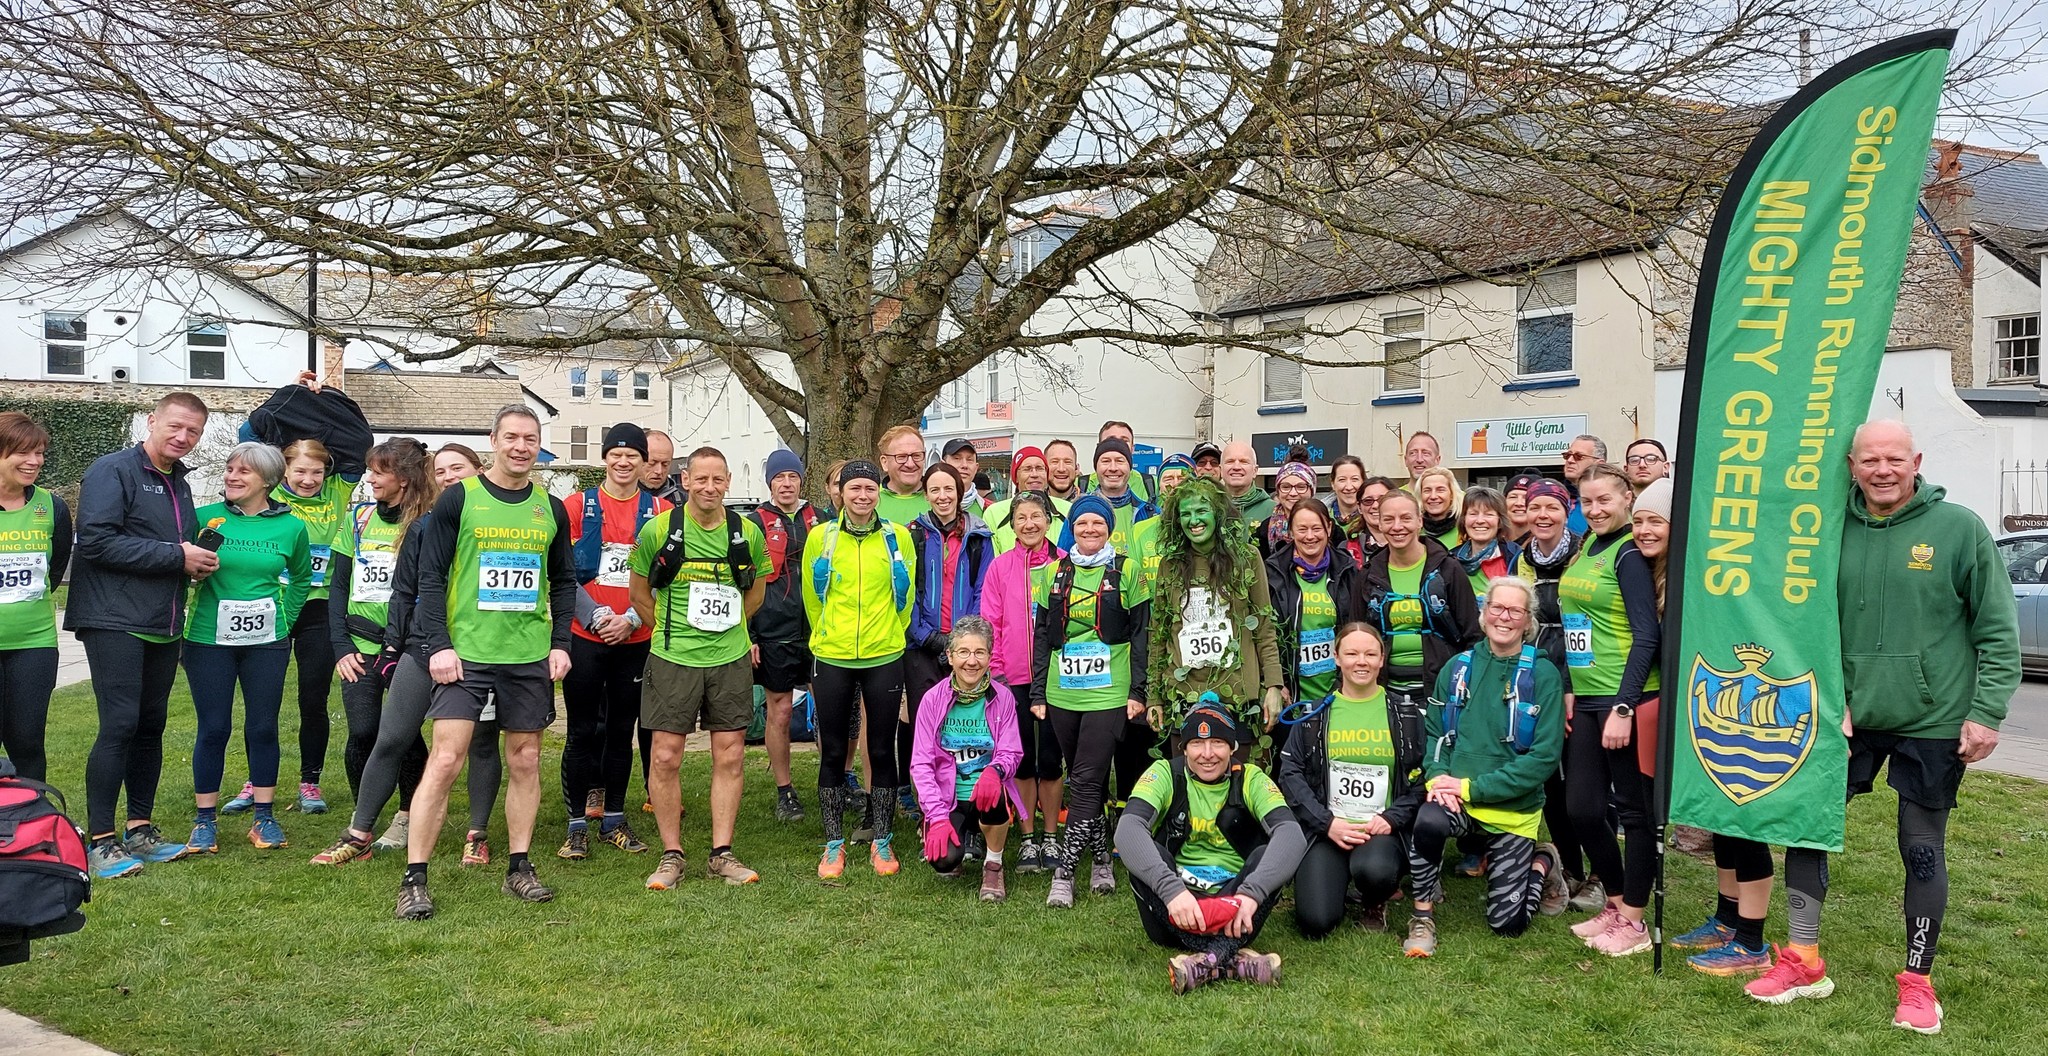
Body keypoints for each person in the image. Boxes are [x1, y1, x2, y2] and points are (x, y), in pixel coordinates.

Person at [1745, 421, 2018, 1035]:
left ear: (1916, 461)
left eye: (1895, 458)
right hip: (1844, 716)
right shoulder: (1826, 532)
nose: (1883, 470)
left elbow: (1997, 631)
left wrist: (1986, 713)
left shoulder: (1959, 530)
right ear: (1851, 464)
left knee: (1920, 848)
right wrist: (1821, 694)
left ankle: (1918, 983)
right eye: (1870, 460)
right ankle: (1804, 960)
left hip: (1933, 717)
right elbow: (1798, 621)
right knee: (1806, 829)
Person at [399, 405, 574, 920]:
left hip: (527, 655)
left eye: (531, 438)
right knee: (447, 759)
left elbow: (563, 581)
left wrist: (560, 643)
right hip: (466, 654)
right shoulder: (459, 498)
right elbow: (430, 577)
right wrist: (439, 646)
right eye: (512, 437)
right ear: (493, 440)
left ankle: (519, 867)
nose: (521, 446)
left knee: (523, 759)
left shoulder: (551, 507)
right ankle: (415, 877)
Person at [310, 443, 502, 867]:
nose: (450, 476)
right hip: (424, 648)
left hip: (483, 650)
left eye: (460, 468)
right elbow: (403, 594)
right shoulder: (424, 527)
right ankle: (359, 832)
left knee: (481, 745)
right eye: (442, 470)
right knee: (391, 736)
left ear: (479, 470)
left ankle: (477, 834)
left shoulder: (496, 525)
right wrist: (393, 649)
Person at [70, 391, 211, 879]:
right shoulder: (113, 470)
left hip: (162, 621)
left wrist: (193, 564)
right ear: (151, 420)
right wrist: (177, 556)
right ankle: (101, 839)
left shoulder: (181, 483)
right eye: (174, 426)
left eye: (193, 431)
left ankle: (141, 829)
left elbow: (171, 547)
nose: (182, 437)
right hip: (112, 618)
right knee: (120, 724)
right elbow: (95, 541)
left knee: (150, 726)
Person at [629, 446, 771, 890]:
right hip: (673, 659)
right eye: (701, 479)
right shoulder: (658, 530)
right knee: (665, 756)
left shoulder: (747, 533)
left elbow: (757, 595)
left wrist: (727, 632)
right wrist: (671, 633)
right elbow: (638, 595)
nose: (710, 488)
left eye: (718, 480)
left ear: (728, 482)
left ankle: (721, 853)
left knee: (729, 754)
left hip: (728, 659)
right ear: (685, 479)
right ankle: (672, 854)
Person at [1402, 576, 1566, 957]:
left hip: (1511, 807)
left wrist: (1470, 789)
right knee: (1427, 820)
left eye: (1515, 611)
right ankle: (1422, 915)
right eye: (1497, 608)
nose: (1504, 617)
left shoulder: (1543, 676)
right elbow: (1434, 735)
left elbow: (1542, 759)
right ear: (1483, 614)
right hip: (1455, 797)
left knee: (1507, 924)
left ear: (1528, 621)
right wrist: (1437, 776)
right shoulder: (1456, 669)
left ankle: (1542, 862)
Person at [1115, 704, 1305, 993]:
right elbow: (1127, 830)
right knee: (1144, 851)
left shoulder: (1251, 778)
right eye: (1197, 743)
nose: (1207, 754)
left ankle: (1205, 963)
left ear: (1232, 747)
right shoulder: (1165, 773)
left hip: (1236, 906)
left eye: (1217, 742)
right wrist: (1171, 891)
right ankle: (1233, 959)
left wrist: (1252, 894)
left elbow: (1292, 835)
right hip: (1179, 908)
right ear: (1183, 747)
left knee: (1270, 856)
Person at [181, 442, 313, 853]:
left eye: (244, 472)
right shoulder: (204, 518)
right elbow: (177, 570)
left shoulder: (291, 527)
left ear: (268, 481)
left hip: (266, 644)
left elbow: (302, 579)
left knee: (262, 726)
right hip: (207, 640)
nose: (232, 476)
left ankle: (264, 817)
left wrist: (284, 624)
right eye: (229, 468)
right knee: (214, 727)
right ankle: (205, 822)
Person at [1557, 461, 1660, 956]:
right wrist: (1574, 685)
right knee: (1581, 807)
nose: (1595, 509)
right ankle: (1618, 903)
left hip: (1629, 699)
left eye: (1605, 500)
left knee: (1635, 813)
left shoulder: (1629, 555)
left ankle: (1635, 921)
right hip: (1590, 696)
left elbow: (1647, 636)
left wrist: (1625, 705)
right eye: (1587, 501)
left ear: (1627, 502)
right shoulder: (1587, 547)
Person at [220, 438, 353, 817]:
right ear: (283, 472)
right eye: (300, 471)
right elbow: (255, 432)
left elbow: (353, 436)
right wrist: (297, 389)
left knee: (313, 699)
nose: (309, 480)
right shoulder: (271, 490)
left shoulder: (338, 492)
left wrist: (321, 390)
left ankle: (310, 782)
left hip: (318, 608)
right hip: (271, 606)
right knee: (263, 702)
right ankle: (254, 780)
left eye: (317, 472)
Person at [1031, 493, 1150, 907]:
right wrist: (1037, 690)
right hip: (1062, 692)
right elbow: (1043, 635)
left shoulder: (1128, 571)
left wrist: (1137, 691)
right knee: (1087, 779)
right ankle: (1101, 857)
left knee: (1084, 778)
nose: (1089, 531)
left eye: (1098, 524)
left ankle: (1064, 872)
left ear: (1109, 528)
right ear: (1072, 529)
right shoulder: (1052, 572)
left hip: (1109, 692)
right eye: (1082, 524)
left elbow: (1141, 635)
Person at [558, 424, 669, 862]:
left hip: (636, 635)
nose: (624, 463)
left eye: (632, 456)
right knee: (582, 730)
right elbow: (563, 573)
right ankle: (576, 825)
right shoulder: (575, 505)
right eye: (616, 455)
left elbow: (665, 578)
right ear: (604, 458)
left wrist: (630, 617)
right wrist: (600, 615)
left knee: (623, 731)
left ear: (644, 462)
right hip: (587, 635)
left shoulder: (661, 512)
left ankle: (615, 819)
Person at [801, 460, 918, 880]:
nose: (863, 496)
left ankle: (881, 840)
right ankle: (833, 845)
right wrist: (829, 634)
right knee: (833, 751)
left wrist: (888, 634)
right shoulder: (821, 536)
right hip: (831, 656)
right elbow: (813, 599)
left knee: (882, 749)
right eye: (855, 489)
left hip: (883, 656)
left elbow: (904, 597)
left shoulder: (897, 537)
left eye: (870, 488)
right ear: (841, 494)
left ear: (879, 492)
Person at [1278, 624, 1421, 937]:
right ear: (1336, 658)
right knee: (1315, 923)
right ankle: (1335, 883)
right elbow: (1290, 775)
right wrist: (1326, 823)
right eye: (1352, 653)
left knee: (1375, 871)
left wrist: (1392, 818)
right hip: (1328, 828)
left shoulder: (1406, 714)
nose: (1362, 661)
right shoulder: (1313, 714)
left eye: (1370, 654)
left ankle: (1374, 900)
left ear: (1382, 659)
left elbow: (1423, 780)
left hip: (1379, 830)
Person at [1143, 478, 1284, 741]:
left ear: (1218, 513)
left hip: (1239, 694)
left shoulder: (1248, 558)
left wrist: (1274, 685)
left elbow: (1264, 628)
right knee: (1189, 778)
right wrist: (1154, 696)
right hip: (1182, 695)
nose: (1193, 520)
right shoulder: (1169, 565)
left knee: (1240, 779)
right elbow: (1159, 634)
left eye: (1201, 511)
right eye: (1185, 514)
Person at [1510, 477, 1594, 912]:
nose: (1542, 516)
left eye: (1552, 508)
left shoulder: (1585, 555)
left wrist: (1568, 686)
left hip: (1583, 677)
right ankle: (1571, 869)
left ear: (1567, 511)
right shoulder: (1520, 559)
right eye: (1534, 507)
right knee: (1548, 776)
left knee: (1585, 780)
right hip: (1534, 675)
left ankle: (1599, 872)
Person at [899, 462, 995, 823]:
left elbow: (984, 590)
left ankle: (963, 804)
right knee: (924, 726)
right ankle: (923, 801)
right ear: (926, 494)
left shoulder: (979, 536)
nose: (943, 497)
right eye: (935, 490)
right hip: (922, 644)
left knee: (963, 725)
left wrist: (961, 642)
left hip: (964, 648)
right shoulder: (914, 535)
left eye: (949, 490)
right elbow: (905, 591)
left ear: (960, 492)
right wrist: (929, 638)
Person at [910, 617, 1023, 901]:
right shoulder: (931, 700)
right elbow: (921, 764)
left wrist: (995, 771)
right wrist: (935, 817)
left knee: (994, 792)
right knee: (943, 861)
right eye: (963, 652)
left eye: (979, 652)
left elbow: (1012, 751)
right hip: (949, 798)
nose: (971, 662)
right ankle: (957, 846)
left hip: (987, 794)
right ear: (949, 656)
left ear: (989, 656)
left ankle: (993, 864)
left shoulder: (1003, 698)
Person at [981, 491, 1063, 874]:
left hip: (1056, 681)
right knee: (1022, 761)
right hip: (1012, 678)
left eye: (1036, 516)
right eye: (1021, 518)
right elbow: (991, 623)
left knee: (1050, 759)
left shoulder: (1064, 564)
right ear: (1011, 524)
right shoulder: (999, 567)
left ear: (1048, 520)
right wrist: (995, 673)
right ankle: (1028, 838)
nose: (1029, 524)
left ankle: (1051, 836)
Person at [1354, 491, 1479, 729]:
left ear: (1420, 520)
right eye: (1388, 519)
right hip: (1383, 690)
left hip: (1440, 689)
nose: (1397, 526)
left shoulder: (1448, 569)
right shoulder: (1368, 575)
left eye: (1405, 518)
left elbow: (1473, 635)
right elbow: (1356, 636)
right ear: (1379, 523)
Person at [750, 448, 824, 823]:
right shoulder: (754, 523)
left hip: (818, 631)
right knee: (778, 711)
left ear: (801, 480)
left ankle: (835, 782)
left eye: (792, 477)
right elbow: (742, 582)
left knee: (828, 710)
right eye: (779, 477)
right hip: (773, 631)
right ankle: (785, 790)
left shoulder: (822, 520)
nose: (786, 483)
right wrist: (750, 635)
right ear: (770, 482)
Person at [0, 414, 69, 784]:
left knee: (28, 742)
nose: (34, 461)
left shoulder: (51, 507)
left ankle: (33, 824)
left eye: (40, 453)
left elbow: (54, 570)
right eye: (23, 452)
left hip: (35, 643)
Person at [1265, 499, 1360, 746]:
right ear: (1290, 530)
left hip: (1336, 689)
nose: (1310, 536)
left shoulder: (1347, 569)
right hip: (1291, 695)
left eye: (1316, 528)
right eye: (1302, 529)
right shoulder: (1273, 571)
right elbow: (1266, 633)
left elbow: (1358, 629)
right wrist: (1277, 682)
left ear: (1328, 528)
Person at [983, 446, 1067, 552]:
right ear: (1016, 477)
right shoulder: (994, 513)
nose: (1034, 474)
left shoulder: (1067, 510)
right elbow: (991, 561)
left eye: (1040, 468)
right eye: (1027, 469)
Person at [1452, 487, 1521, 600]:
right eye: (1473, 514)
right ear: (1464, 520)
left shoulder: (1515, 557)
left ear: (1500, 521)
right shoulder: (1452, 559)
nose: (1480, 520)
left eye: (1488, 514)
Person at [1084, 421, 1160, 504]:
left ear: (1132, 448)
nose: (1117, 444)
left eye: (1124, 441)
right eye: (1110, 440)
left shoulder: (1152, 484)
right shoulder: (1081, 485)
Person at [1254, 460, 1317, 559]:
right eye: (1286, 487)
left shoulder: (1327, 527)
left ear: (1311, 491)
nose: (1293, 493)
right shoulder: (1264, 530)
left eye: (1300, 487)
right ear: (1278, 491)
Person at [876, 424, 931, 524]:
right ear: (885, 462)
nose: (910, 464)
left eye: (916, 456)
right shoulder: (870, 500)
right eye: (901, 457)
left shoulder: (940, 499)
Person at [1338, 475, 1394, 566]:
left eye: (1382, 499)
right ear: (1359, 508)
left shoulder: (1413, 545)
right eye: (1368, 501)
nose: (1375, 506)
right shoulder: (1345, 550)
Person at [1218, 440, 1273, 529]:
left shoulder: (1272, 511)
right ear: (1221, 470)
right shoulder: (1210, 506)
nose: (1236, 467)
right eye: (1230, 461)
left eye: (1244, 461)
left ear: (1255, 471)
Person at [1560, 434, 1604, 536]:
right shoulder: (1555, 497)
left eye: (1578, 456)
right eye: (1567, 455)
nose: (1570, 461)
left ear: (1599, 464)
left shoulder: (1609, 502)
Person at [1415, 466, 1460, 548]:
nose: (1433, 496)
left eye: (1440, 490)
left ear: (1452, 495)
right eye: (1427, 490)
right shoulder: (1413, 530)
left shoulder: (1464, 530)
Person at [1328, 455, 1369, 544]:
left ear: (1363, 482)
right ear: (1332, 483)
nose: (1349, 487)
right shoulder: (1322, 515)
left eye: (1354, 479)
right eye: (1342, 480)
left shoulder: (1372, 516)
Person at [642, 429, 681, 503]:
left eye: (665, 464)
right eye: (652, 463)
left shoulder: (684, 502)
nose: (659, 471)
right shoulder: (620, 496)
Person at [1502, 472, 1540, 545]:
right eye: (1513, 497)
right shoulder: (1493, 540)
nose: (1519, 503)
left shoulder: (1545, 545)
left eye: (1526, 498)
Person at [1044, 439, 1083, 504]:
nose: (1061, 469)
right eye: (1055, 462)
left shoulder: (1088, 505)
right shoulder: (1034, 504)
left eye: (1067, 462)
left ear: (1076, 469)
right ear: (1044, 468)